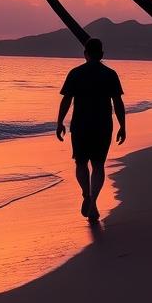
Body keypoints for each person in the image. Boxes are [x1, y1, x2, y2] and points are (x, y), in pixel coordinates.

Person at [56, 37, 126, 220]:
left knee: (80, 163)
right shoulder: (110, 74)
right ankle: (94, 201)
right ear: (102, 54)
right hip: (103, 126)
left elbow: (66, 100)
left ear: (85, 54)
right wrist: (122, 126)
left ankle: (86, 194)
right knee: (98, 165)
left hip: (81, 125)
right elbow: (118, 102)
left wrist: (59, 122)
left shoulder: (76, 73)